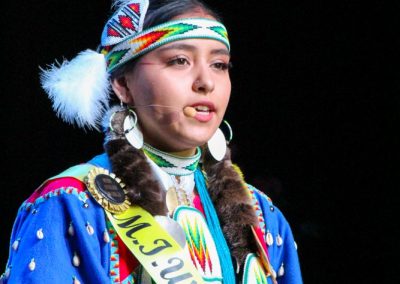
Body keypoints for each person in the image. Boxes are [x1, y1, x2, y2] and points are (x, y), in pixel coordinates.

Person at [1, 0, 302, 283]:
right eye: (180, 60)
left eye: (219, 65)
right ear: (122, 84)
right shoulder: (73, 203)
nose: (206, 82)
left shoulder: (261, 216)